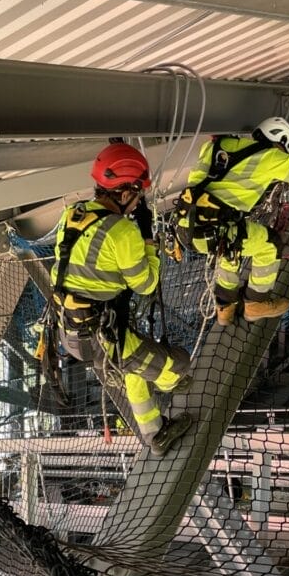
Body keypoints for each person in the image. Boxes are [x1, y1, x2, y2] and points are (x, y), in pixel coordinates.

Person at [51, 142, 192, 457]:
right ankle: (167, 382)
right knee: (180, 369)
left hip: (71, 330)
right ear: (126, 192)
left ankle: (156, 433)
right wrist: (148, 243)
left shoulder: (71, 215)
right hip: (103, 339)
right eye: (138, 194)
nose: (139, 200)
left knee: (133, 371)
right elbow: (145, 284)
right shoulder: (122, 233)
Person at [174, 117, 289, 325]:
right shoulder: (271, 157)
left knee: (232, 246)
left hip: (186, 228)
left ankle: (224, 308)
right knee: (269, 244)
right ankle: (256, 302)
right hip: (213, 229)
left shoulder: (214, 146)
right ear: (281, 142)